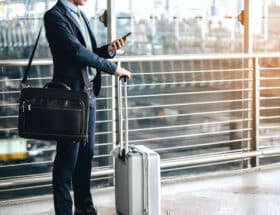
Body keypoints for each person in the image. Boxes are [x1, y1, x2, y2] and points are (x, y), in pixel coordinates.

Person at [44, 0, 131, 214]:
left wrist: (108, 50)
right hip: (70, 98)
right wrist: (113, 68)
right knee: (66, 160)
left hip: (87, 95)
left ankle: (85, 207)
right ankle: (64, 211)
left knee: (86, 155)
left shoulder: (80, 14)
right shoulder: (54, 16)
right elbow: (76, 52)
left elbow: (88, 52)